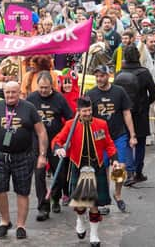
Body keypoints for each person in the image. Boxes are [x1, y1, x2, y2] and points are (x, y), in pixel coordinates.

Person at [0, 81, 48, 240]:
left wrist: (42, 155)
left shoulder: (29, 108)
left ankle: (21, 225)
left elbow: (41, 132)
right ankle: (5, 221)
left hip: (23, 156)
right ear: (3, 92)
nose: (10, 95)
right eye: (7, 92)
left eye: (13, 92)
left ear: (20, 93)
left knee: (23, 191)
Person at [52, 96, 119, 247]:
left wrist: (114, 158)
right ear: (78, 111)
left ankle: (94, 235)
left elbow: (109, 143)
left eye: (89, 110)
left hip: (97, 166)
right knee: (81, 204)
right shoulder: (70, 125)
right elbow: (57, 140)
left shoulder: (101, 124)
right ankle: (80, 220)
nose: (88, 113)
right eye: (84, 111)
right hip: (78, 165)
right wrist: (59, 149)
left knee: (94, 203)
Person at [86, 65, 136, 212]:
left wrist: (132, 135)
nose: (99, 79)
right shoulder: (91, 94)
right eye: (97, 76)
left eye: (102, 76)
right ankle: (104, 199)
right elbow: (87, 116)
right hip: (99, 137)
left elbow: (127, 113)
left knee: (120, 167)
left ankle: (118, 194)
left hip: (118, 135)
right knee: (103, 170)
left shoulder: (119, 92)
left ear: (108, 76)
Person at [26, 71, 73, 221]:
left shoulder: (59, 99)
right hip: (37, 142)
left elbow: (71, 119)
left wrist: (67, 139)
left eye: (46, 88)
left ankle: (55, 197)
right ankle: (43, 206)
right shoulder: (32, 98)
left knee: (59, 174)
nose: (43, 91)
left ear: (51, 86)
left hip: (56, 142)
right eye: (41, 87)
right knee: (39, 175)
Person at [113, 45, 155, 186]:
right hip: (141, 113)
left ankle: (130, 172)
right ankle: (138, 173)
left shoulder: (119, 74)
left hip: (123, 113)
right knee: (140, 142)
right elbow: (154, 93)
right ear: (138, 56)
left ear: (125, 57)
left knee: (126, 141)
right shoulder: (144, 73)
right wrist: (146, 104)